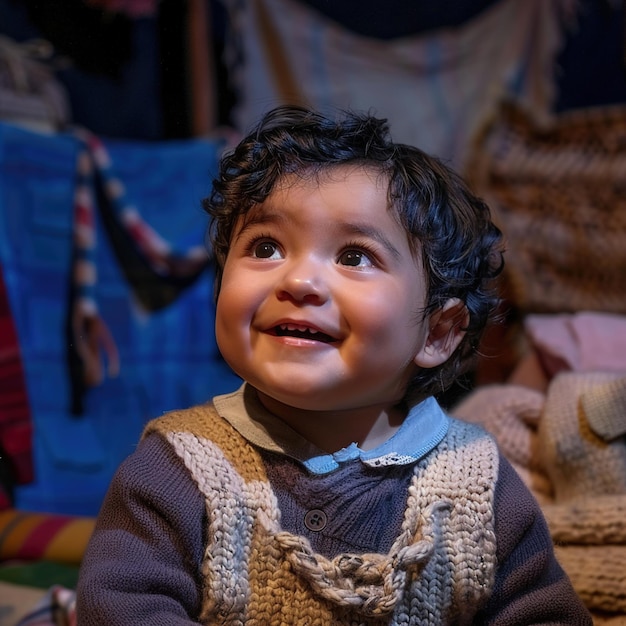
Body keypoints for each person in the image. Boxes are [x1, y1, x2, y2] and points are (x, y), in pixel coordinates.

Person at [75, 105, 592, 625]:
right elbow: (121, 608)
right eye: (266, 246)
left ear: (436, 332)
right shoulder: (178, 469)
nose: (297, 282)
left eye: (353, 257)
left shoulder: (478, 487)